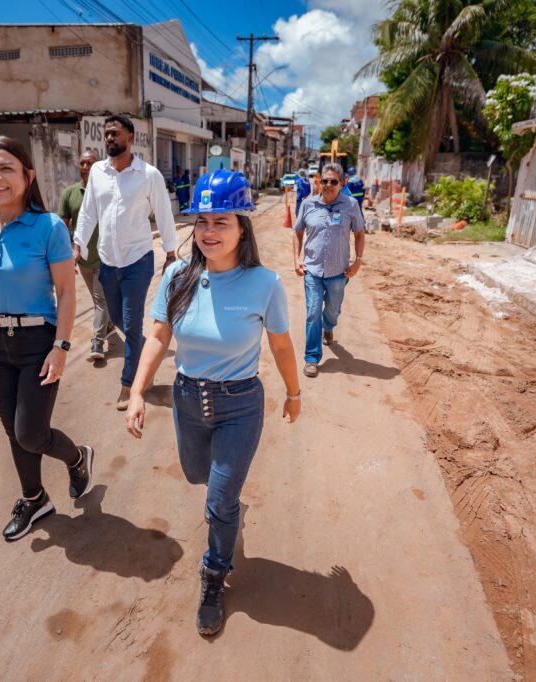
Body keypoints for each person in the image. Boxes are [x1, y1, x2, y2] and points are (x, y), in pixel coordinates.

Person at [125, 169, 301, 637]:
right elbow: (158, 336)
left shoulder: (264, 284)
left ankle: (214, 573)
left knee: (220, 500)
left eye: (221, 222)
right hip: (188, 399)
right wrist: (138, 391)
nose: (208, 232)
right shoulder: (178, 276)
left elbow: (282, 346)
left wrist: (294, 393)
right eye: (201, 221)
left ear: (243, 226)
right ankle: (226, 509)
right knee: (199, 477)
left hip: (240, 403)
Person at [0, 136, 95, 541]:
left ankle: (77, 456)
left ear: (28, 176)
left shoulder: (49, 227)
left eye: (6, 168)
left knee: (31, 432)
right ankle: (34, 498)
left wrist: (61, 347)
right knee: (13, 429)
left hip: (38, 342)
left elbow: (67, 292)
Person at [74, 114, 178, 410]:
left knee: (131, 324)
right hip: (106, 262)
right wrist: (78, 244)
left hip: (137, 261)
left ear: (130, 137)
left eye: (115, 133)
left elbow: (164, 213)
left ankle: (129, 385)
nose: (109, 138)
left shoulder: (149, 175)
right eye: (106, 134)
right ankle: (147, 354)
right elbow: (89, 211)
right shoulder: (97, 172)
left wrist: (170, 253)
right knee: (116, 319)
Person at [292, 162, 366, 378]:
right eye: (324, 181)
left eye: (333, 181)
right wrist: (297, 259)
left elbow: (360, 234)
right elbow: (297, 232)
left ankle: (329, 325)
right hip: (313, 270)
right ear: (319, 181)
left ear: (342, 183)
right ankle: (312, 358)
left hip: (338, 272)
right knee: (312, 311)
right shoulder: (308, 204)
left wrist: (358, 261)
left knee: (332, 310)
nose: (328, 185)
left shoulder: (351, 205)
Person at [59, 150, 112, 363]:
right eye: (81, 163)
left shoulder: (106, 191)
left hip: (105, 257)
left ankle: (97, 341)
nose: (84, 167)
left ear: (98, 165)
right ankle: (107, 324)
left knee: (100, 300)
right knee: (97, 298)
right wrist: (66, 254)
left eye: (89, 163)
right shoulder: (70, 193)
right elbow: (63, 226)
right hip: (82, 258)